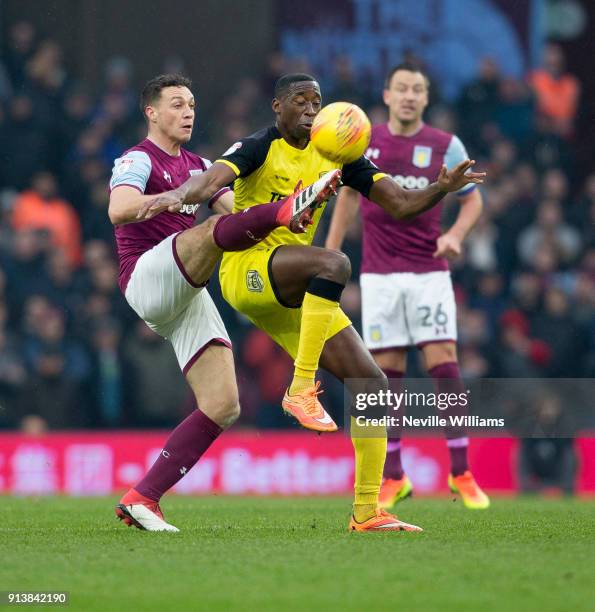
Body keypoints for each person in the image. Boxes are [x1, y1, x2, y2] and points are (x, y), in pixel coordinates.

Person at [139, 72, 484, 532]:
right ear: (277, 108)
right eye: (299, 101)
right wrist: (174, 196)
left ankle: (367, 512)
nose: (309, 108)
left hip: (297, 287)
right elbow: (209, 182)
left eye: (316, 101)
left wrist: (442, 188)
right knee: (334, 263)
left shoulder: (340, 155)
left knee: (373, 385)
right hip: (248, 271)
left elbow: (399, 203)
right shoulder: (257, 145)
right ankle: (301, 388)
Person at [110, 73, 338, 532]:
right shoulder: (137, 159)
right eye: (176, 104)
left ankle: (143, 498)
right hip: (146, 278)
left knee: (224, 404)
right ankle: (284, 208)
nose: (188, 111)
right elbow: (119, 209)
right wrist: (169, 200)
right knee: (210, 236)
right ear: (151, 113)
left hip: (185, 292)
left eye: (191, 103)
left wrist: (288, 220)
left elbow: (235, 211)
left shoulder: (200, 165)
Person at [326, 63, 490, 510]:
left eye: (418, 89)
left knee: (444, 364)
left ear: (426, 97)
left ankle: (461, 471)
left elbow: (473, 199)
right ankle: (394, 476)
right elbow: (347, 197)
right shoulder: (364, 142)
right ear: (386, 94)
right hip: (379, 275)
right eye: (402, 88)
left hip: (429, 272)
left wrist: (455, 235)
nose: (409, 96)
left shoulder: (445, 145)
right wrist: (333, 254)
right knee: (386, 376)